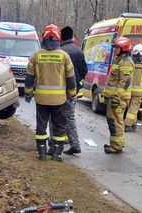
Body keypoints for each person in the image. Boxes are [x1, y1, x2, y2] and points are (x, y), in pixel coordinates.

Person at [25, 24, 76, 161]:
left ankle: (42, 153)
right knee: (59, 127)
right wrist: (72, 95)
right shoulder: (64, 56)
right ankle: (57, 155)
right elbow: (71, 79)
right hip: (60, 100)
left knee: (41, 125)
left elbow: (29, 78)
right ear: (58, 38)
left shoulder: (35, 56)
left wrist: (28, 93)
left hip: (41, 99)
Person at [103, 37, 134, 154]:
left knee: (116, 121)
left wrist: (117, 96)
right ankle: (115, 144)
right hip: (113, 97)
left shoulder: (126, 62)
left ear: (123, 49)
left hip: (118, 98)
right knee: (112, 121)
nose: (114, 49)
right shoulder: (119, 60)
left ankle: (117, 146)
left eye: (116, 47)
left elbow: (125, 82)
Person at [59, 26, 88, 155]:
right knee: (70, 117)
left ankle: (58, 143)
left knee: (58, 117)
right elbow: (84, 71)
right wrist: (77, 82)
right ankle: (74, 143)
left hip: (61, 91)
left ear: (61, 36)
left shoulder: (61, 51)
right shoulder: (79, 51)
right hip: (74, 91)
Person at [125, 44, 142, 132]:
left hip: (129, 89)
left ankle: (133, 125)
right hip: (139, 91)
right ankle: (128, 125)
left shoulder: (130, 61)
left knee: (131, 108)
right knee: (133, 109)